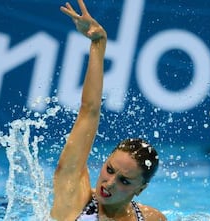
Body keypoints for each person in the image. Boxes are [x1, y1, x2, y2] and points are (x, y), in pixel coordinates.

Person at [50, 1, 167, 220]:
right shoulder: (74, 199)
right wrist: (98, 43)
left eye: (124, 181)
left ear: (140, 189)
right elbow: (89, 111)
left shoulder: (152, 218)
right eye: (110, 169)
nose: (109, 183)